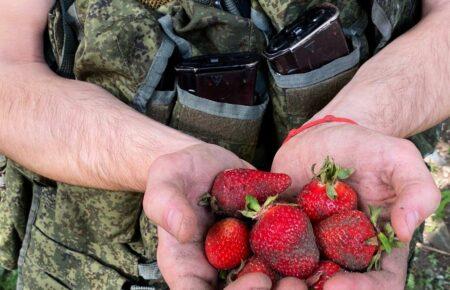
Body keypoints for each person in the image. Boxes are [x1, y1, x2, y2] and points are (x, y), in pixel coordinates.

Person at [0, 0, 448, 289]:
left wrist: (356, 119)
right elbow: (9, 69)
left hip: (355, 211)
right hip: (93, 254)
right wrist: (160, 159)